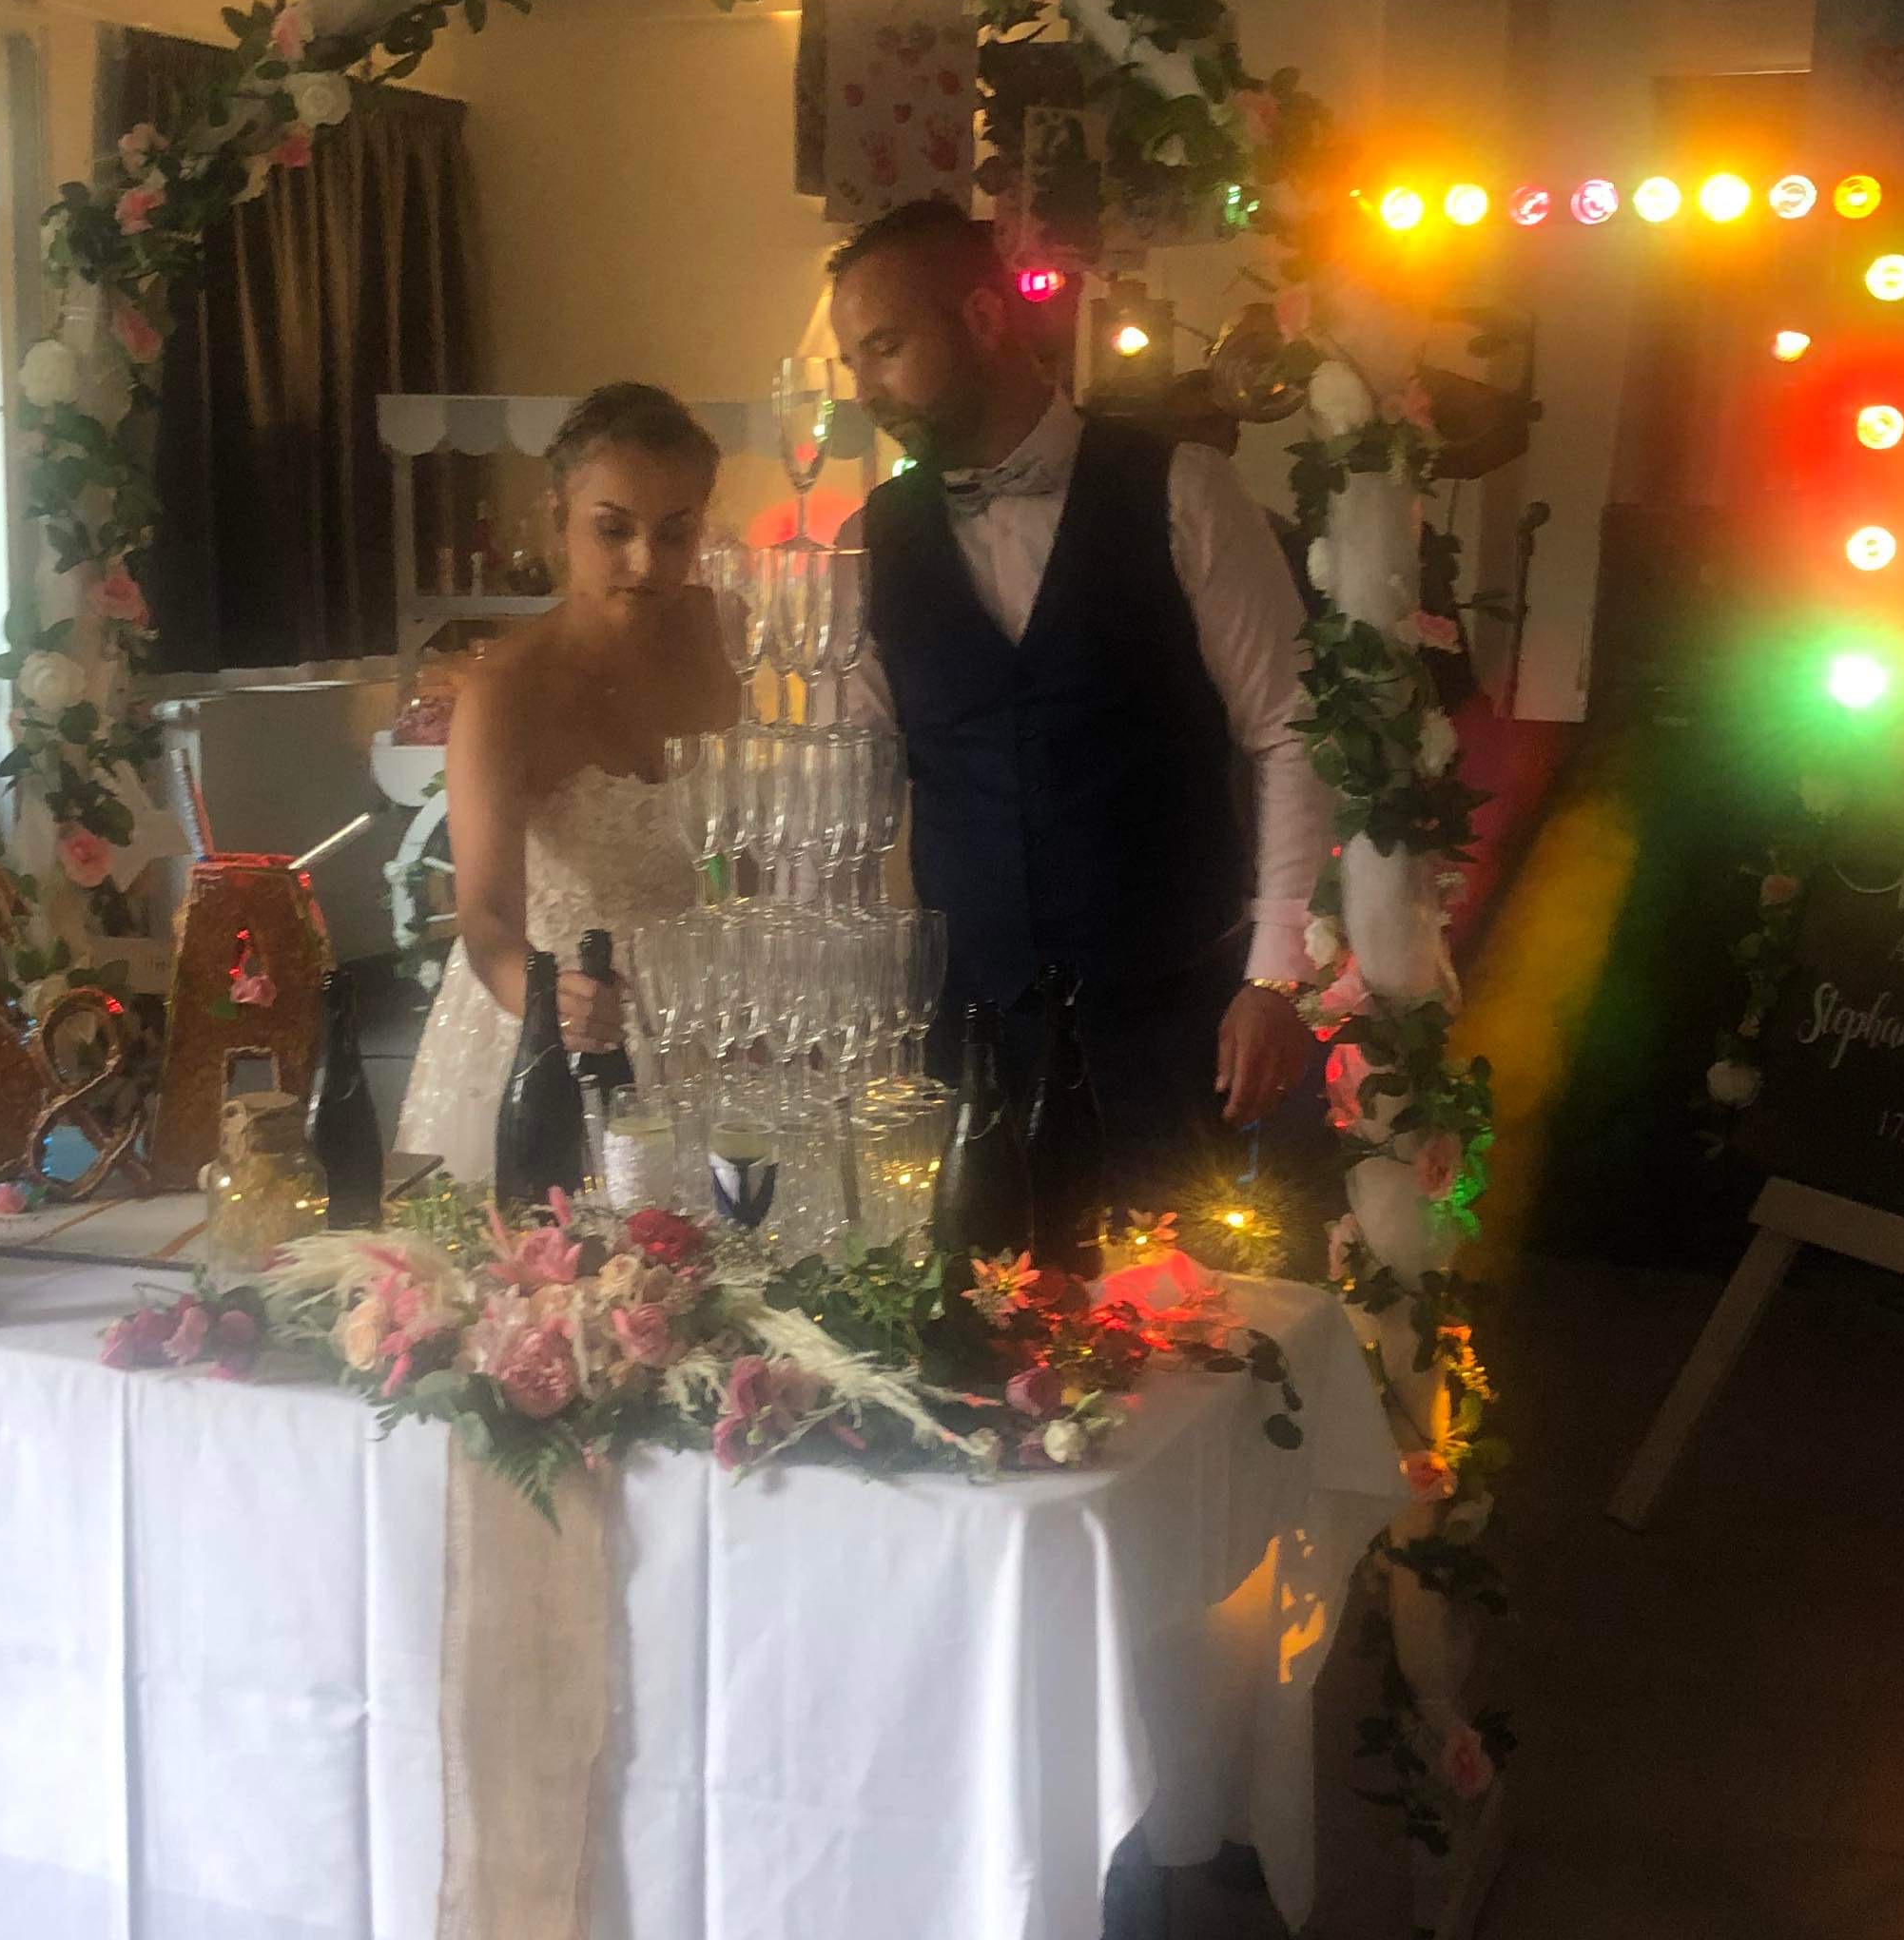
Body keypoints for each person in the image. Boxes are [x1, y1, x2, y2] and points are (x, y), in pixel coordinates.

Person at [834, 199, 1330, 1206]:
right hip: (971, 1029)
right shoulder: (869, 540)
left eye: (884, 348)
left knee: (1185, 1288)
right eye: (854, 362)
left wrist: (1275, 975)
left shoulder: (1185, 492)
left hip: (1174, 1016)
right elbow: (854, 779)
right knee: (979, 1289)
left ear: (982, 318)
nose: (865, 390)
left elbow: (1290, 730)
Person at [396, 381, 739, 1179]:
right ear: (559, 517)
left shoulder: (724, 634)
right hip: (550, 1029)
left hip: (703, 1019)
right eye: (614, 529)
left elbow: (758, 834)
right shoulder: (507, 691)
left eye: (676, 532)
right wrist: (550, 1002)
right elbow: (484, 917)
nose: (646, 564)